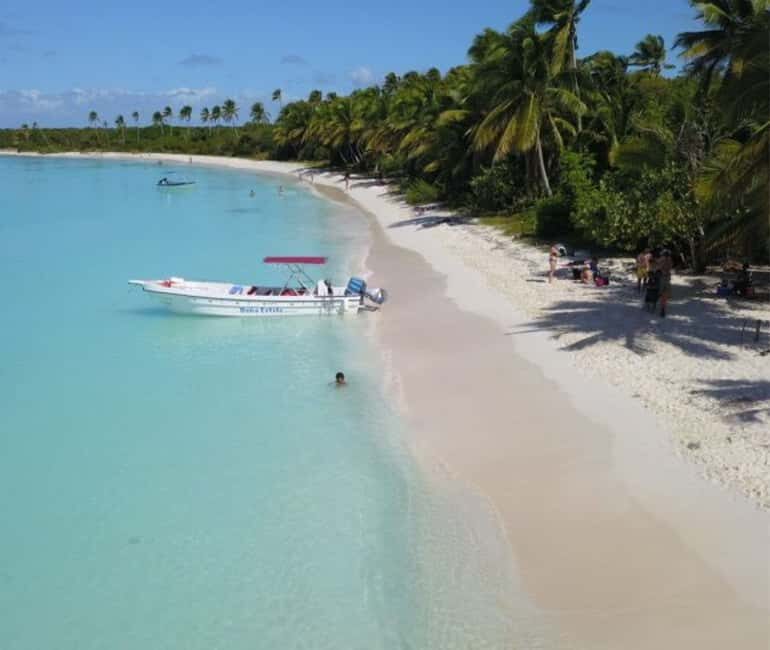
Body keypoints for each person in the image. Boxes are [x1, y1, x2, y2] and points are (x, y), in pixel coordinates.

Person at [657, 250, 673, 317]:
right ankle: (663, 308)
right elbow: (670, 267)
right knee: (665, 295)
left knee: (661, 294)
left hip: (661, 278)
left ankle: (662, 308)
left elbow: (658, 268)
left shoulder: (661, 260)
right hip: (667, 278)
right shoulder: (670, 260)